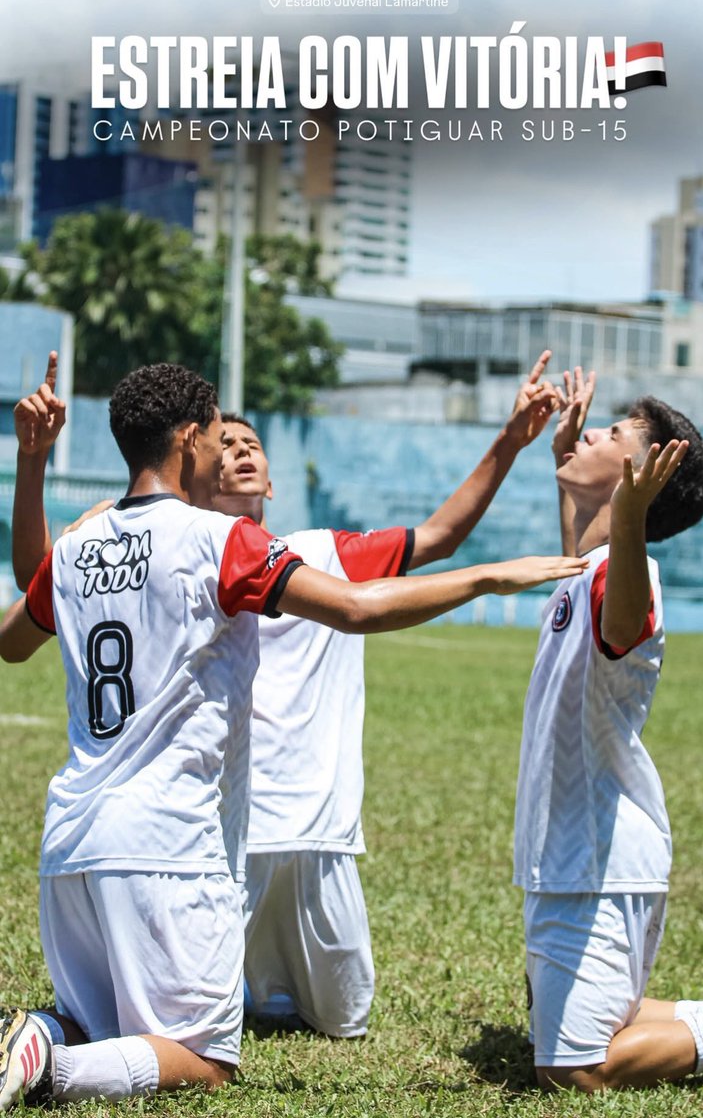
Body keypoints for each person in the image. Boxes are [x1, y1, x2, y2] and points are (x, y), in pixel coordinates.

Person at [0, 361, 584, 1110]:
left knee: (98, 1022)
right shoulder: (222, 540)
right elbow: (357, 610)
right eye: (217, 435)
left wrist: (31, 462)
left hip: (70, 838)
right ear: (188, 439)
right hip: (168, 842)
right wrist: (485, 578)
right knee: (203, 1058)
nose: (225, 449)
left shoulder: (80, 545)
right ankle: (51, 1069)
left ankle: (45, 1035)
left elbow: (14, 640)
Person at [215, 354, 565, 1039]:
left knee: (345, 1020)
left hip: (318, 818)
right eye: (223, 446)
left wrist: (509, 442)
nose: (240, 451)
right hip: (229, 823)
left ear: (273, 478)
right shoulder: (188, 551)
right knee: (199, 1016)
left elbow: (437, 538)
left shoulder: (325, 551)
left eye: (251, 443)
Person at [513, 368, 703, 1093]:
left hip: (599, 861)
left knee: (575, 1067)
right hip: (564, 854)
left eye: (612, 433)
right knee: (574, 1021)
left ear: (639, 477)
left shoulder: (634, 577)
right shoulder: (589, 562)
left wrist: (626, 519)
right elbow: (585, 553)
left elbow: (621, 621)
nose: (589, 428)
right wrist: (565, 466)